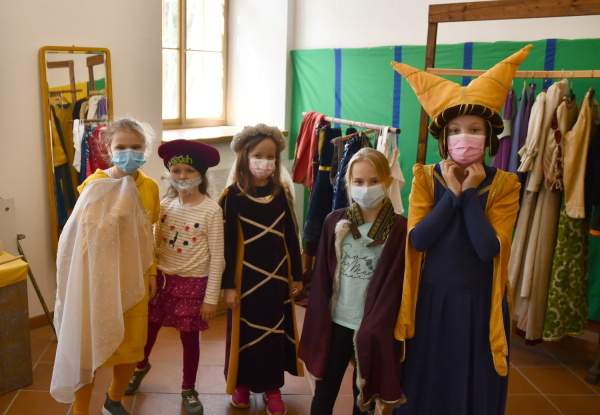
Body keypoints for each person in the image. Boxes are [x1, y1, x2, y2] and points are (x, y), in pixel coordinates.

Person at [390, 45, 532, 415]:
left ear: (489, 136)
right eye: (455, 130)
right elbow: (419, 238)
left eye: (474, 130)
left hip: (479, 303)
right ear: (443, 137)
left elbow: (488, 248)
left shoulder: (505, 185)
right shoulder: (426, 178)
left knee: (472, 384)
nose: (463, 137)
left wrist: (468, 196)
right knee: (429, 382)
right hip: (431, 301)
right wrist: (451, 195)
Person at [51, 118, 160, 415]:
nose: (129, 152)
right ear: (108, 149)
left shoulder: (150, 187)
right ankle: (81, 409)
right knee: (89, 349)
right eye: (121, 147)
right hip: (98, 281)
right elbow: (83, 240)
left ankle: (114, 399)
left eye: (136, 147)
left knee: (131, 347)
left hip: (134, 280)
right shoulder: (94, 186)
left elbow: (149, 234)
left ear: (145, 150)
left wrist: (151, 271)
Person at [300, 147, 407, 415]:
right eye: (358, 181)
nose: (366, 188)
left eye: (374, 181)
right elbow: (322, 277)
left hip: (373, 327)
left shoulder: (399, 229)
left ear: (388, 181)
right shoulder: (335, 222)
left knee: (365, 394)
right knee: (325, 389)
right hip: (338, 322)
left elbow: (397, 284)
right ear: (348, 183)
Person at [124, 139, 224, 415]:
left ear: (201, 174)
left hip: (193, 284)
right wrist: (150, 274)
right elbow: (154, 243)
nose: (182, 176)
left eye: (189, 171)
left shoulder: (211, 210)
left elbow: (218, 257)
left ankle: (188, 388)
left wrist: (211, 298)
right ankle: (140, 366)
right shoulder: (165, 204)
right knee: (148, 329)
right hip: (163, 281)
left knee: (189, 339)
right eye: (177, 170)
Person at [220, 124, 303, 415]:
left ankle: (272, 387)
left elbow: (291, 236)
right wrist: (228, 285)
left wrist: (297, 275)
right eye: (258, 155)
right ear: (244, 156)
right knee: (244, 333)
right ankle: (241, 383)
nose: (264, 161)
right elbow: (227, 245)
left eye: (270, 156)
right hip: (244, 280)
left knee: (273, 333)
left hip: (276, 278)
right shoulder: (232, 197)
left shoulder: (281, 194)